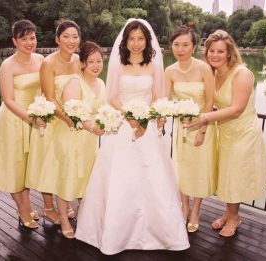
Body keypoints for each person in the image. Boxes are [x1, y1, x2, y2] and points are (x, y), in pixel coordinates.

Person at [75, 18, 190, 254]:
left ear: (147, 41)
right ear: (125, 41)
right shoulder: (118, 64)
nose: (136, 44)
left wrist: (149, 117)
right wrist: (130, 117)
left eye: (140, 39)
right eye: (131, 39)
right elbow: (113, 97)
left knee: (152, 177)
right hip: (122, 126)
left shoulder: (154, 66)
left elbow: (158, 96)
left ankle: (158, 233)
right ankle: (115, 234)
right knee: (120, 177)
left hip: (147, 127)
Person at [187, 29, 266, 237]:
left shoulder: (242, 74)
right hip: (223, 131)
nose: (215, 55)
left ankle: (234, 217)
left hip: (242, 133)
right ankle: (228, 213)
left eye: (220, 51)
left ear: (229, 53)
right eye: (211, 51)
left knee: (234, 176)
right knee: (225, 176)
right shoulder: (214, 74)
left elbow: (236, 109)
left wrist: (205, 118)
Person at [37, 41, 105, 238]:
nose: (95, 65)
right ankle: (64, 220)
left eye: (99, 61)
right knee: (66, 177)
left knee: (85, 178)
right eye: (91, 61)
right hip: (70, 137)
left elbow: (104, 110)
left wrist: (108, 121)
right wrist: (92, 126)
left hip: (89, 141)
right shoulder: (75, 83)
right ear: (82, 63)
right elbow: (72, 114)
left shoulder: (101, 83)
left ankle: (85, 216)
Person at [0, 19, 45, 228]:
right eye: (24, 38)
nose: (30, 42)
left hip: (36, 118)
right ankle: (23, 209)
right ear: (14, 41)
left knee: (27, 168)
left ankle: (27, 205)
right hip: (14, 120)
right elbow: (8, 100)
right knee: (14, 167)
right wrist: (31, 118)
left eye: (32, 37)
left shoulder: (40, 60)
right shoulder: (7, 65)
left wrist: (44, 112)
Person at [25, 20, 81, 224]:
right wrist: (67, 119)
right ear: (57, 39)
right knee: (51, 164)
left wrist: (79, 116)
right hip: (56, 120)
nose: (71, 40)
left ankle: (64, 204)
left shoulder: (78, 60)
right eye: (66, 36)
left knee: (68, 163)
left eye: (75, 36)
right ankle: (49, 207)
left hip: (74, 120)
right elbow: (50, 97)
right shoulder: (48, 63)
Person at [165, 26, 217, 233]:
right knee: (182, 168)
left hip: (203, 126)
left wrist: (203, 129)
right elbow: (165, 100)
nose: (180, 49)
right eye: (176, 44)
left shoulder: (204, 68)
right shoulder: (169, 71)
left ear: (194, 46)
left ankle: (196, 210)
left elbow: (211, 101)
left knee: (199, 169)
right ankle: (183, 206)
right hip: (182, 127)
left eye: (185, 44)